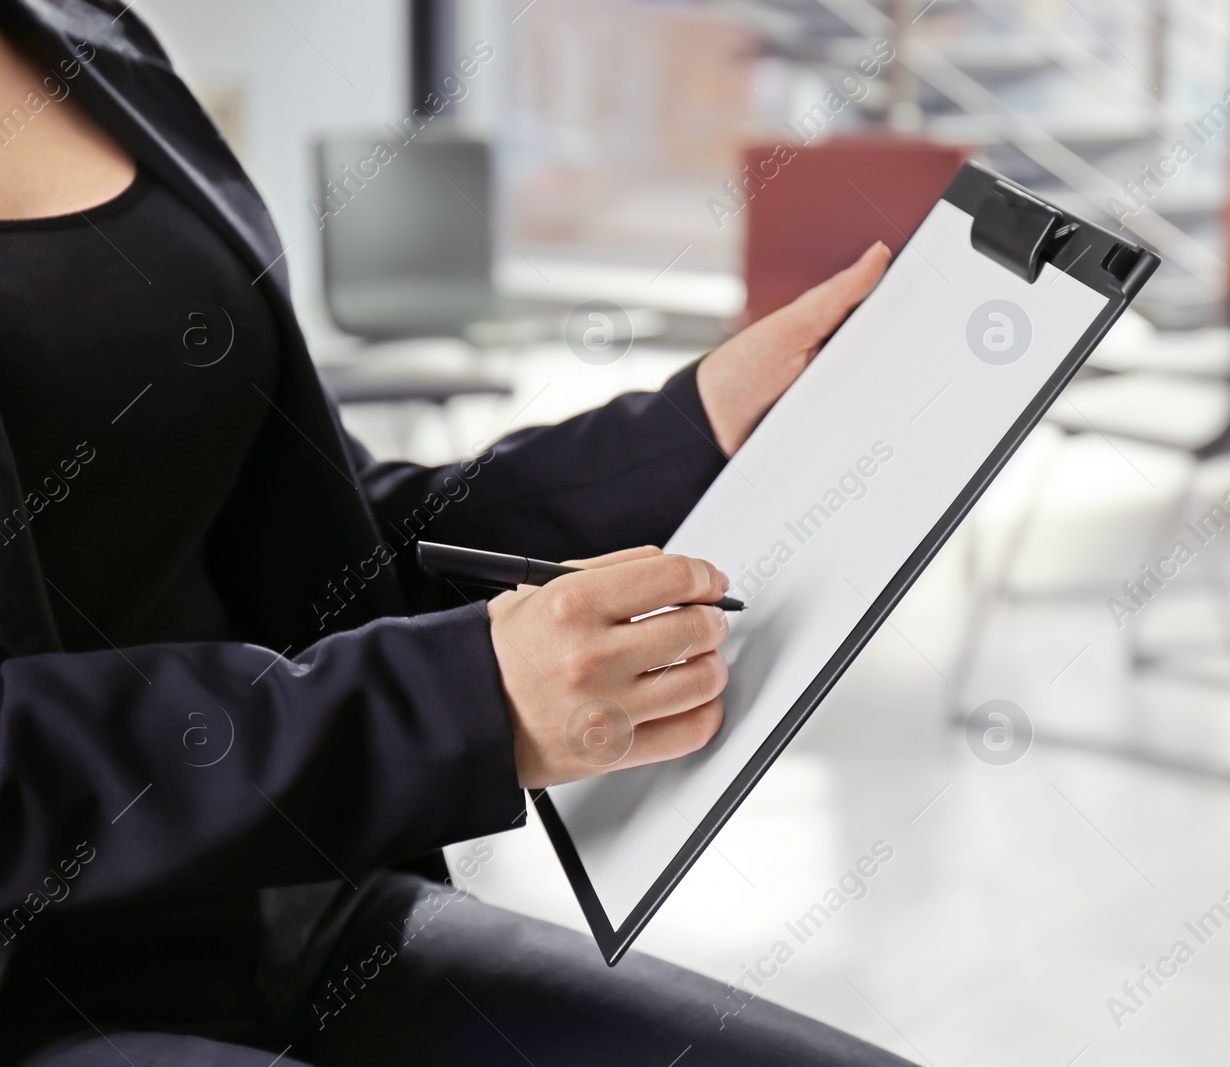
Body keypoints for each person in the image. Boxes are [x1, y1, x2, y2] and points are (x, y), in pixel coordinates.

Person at [0, 1, 906, 1063]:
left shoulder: (86, 36)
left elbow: (315, 537)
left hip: (283, 917)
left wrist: (688, 434)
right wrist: (450, 703)